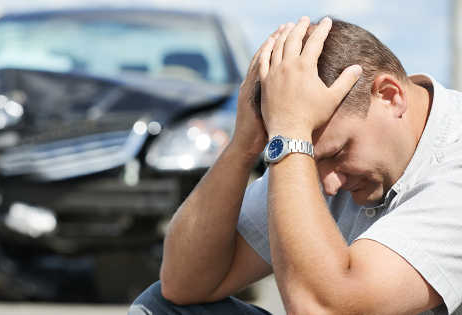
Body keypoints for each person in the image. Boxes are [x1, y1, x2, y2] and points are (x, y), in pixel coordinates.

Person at [129, 16, 462, 315]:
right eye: (312, 161)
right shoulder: (310, 150)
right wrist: (243, 147)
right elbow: (183, 283)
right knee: (159, 308)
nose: (328, 184)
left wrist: (291, 137)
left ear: (390, 96)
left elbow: (324, 310)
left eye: (338, 152)